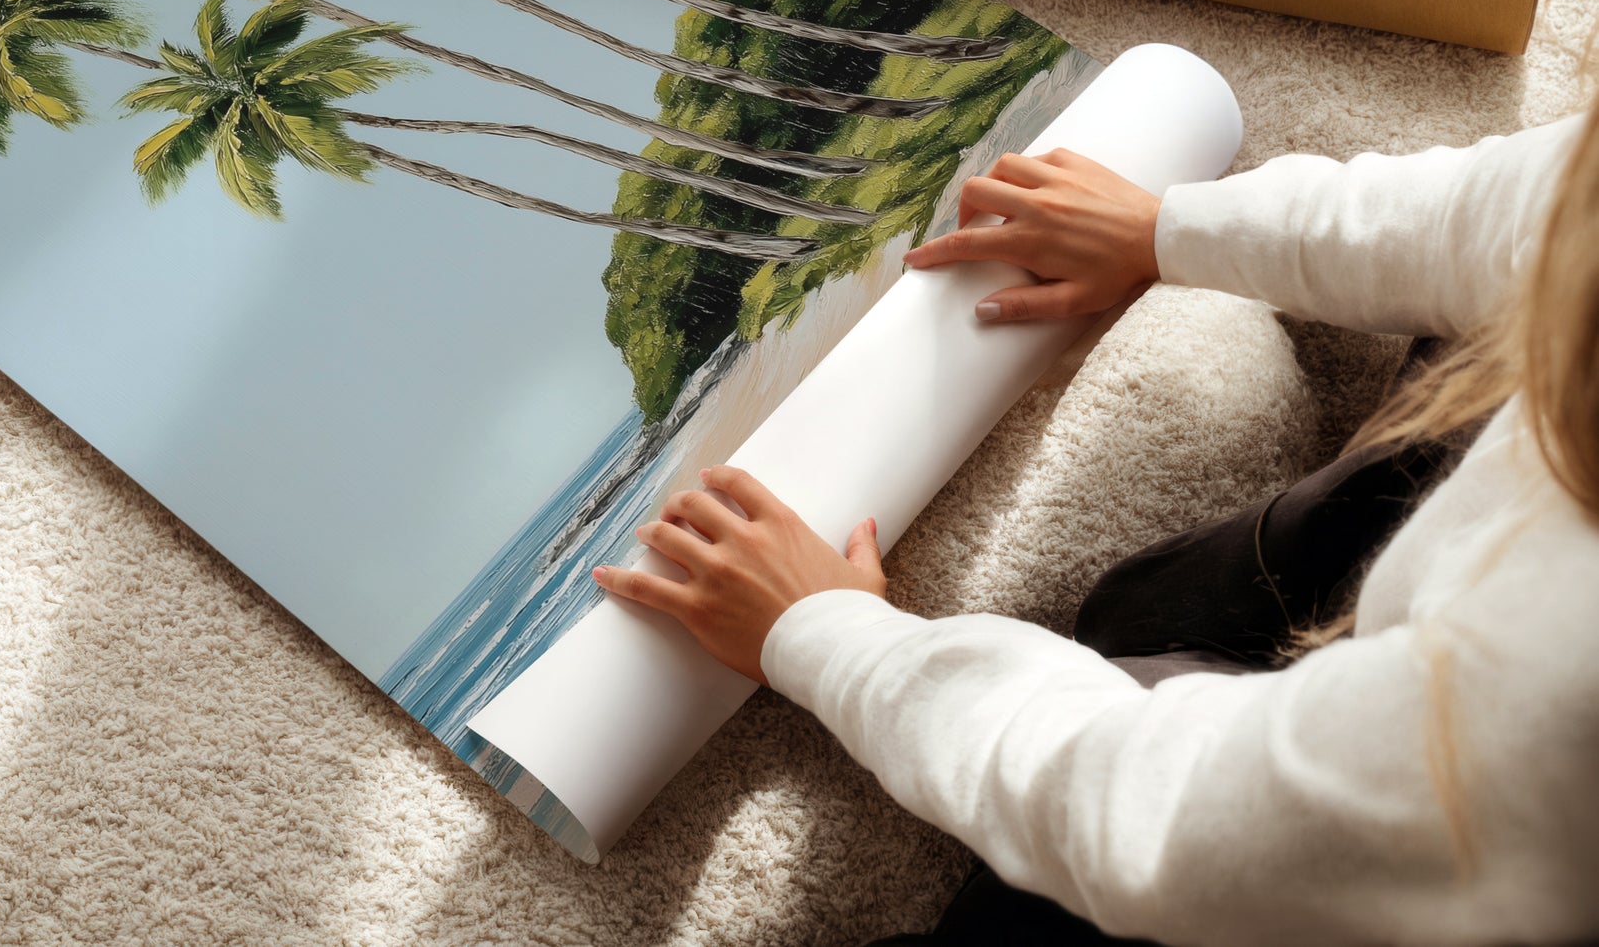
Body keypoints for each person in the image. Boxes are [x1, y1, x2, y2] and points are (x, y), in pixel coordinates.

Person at [592, 99, 1599, 945]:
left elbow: (1160, 819)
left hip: (1465, 855)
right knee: (1150, 614)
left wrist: (828, 637)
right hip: (1458, 653)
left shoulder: (1547, 697)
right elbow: (1516, 208)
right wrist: (1166, 228)